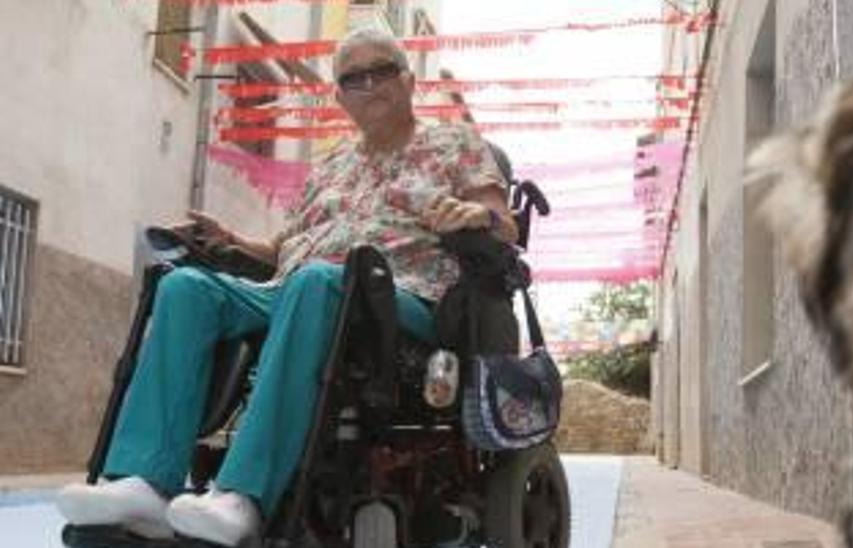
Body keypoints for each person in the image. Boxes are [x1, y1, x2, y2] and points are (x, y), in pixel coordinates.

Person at [55, 27, 516, 547]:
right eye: (352, 78)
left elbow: (504, 222)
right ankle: (143, 482)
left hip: (393, 297)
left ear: (409, 81)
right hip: (296, 286)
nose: (368, 85)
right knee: (185, 287)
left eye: (381, 71)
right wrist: (230, 241)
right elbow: (285, 246)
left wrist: (476, 214)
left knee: (318, 282)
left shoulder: (454, 143)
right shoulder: (332, 164)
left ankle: (243, 496)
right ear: (339, 96)